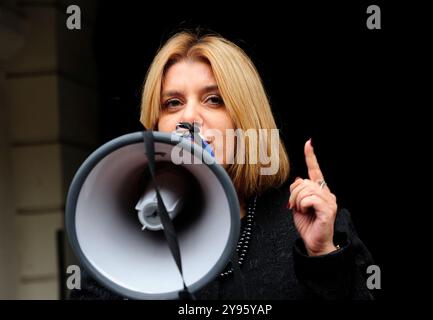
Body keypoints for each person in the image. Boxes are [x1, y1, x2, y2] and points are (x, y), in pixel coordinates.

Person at [71, 30, 375, 300]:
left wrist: (323, 256)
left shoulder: (308, 224)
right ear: (155, 125)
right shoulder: (117, 233)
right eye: (172, 103)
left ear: (244, 121)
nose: (189, 117)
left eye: (214, 99)